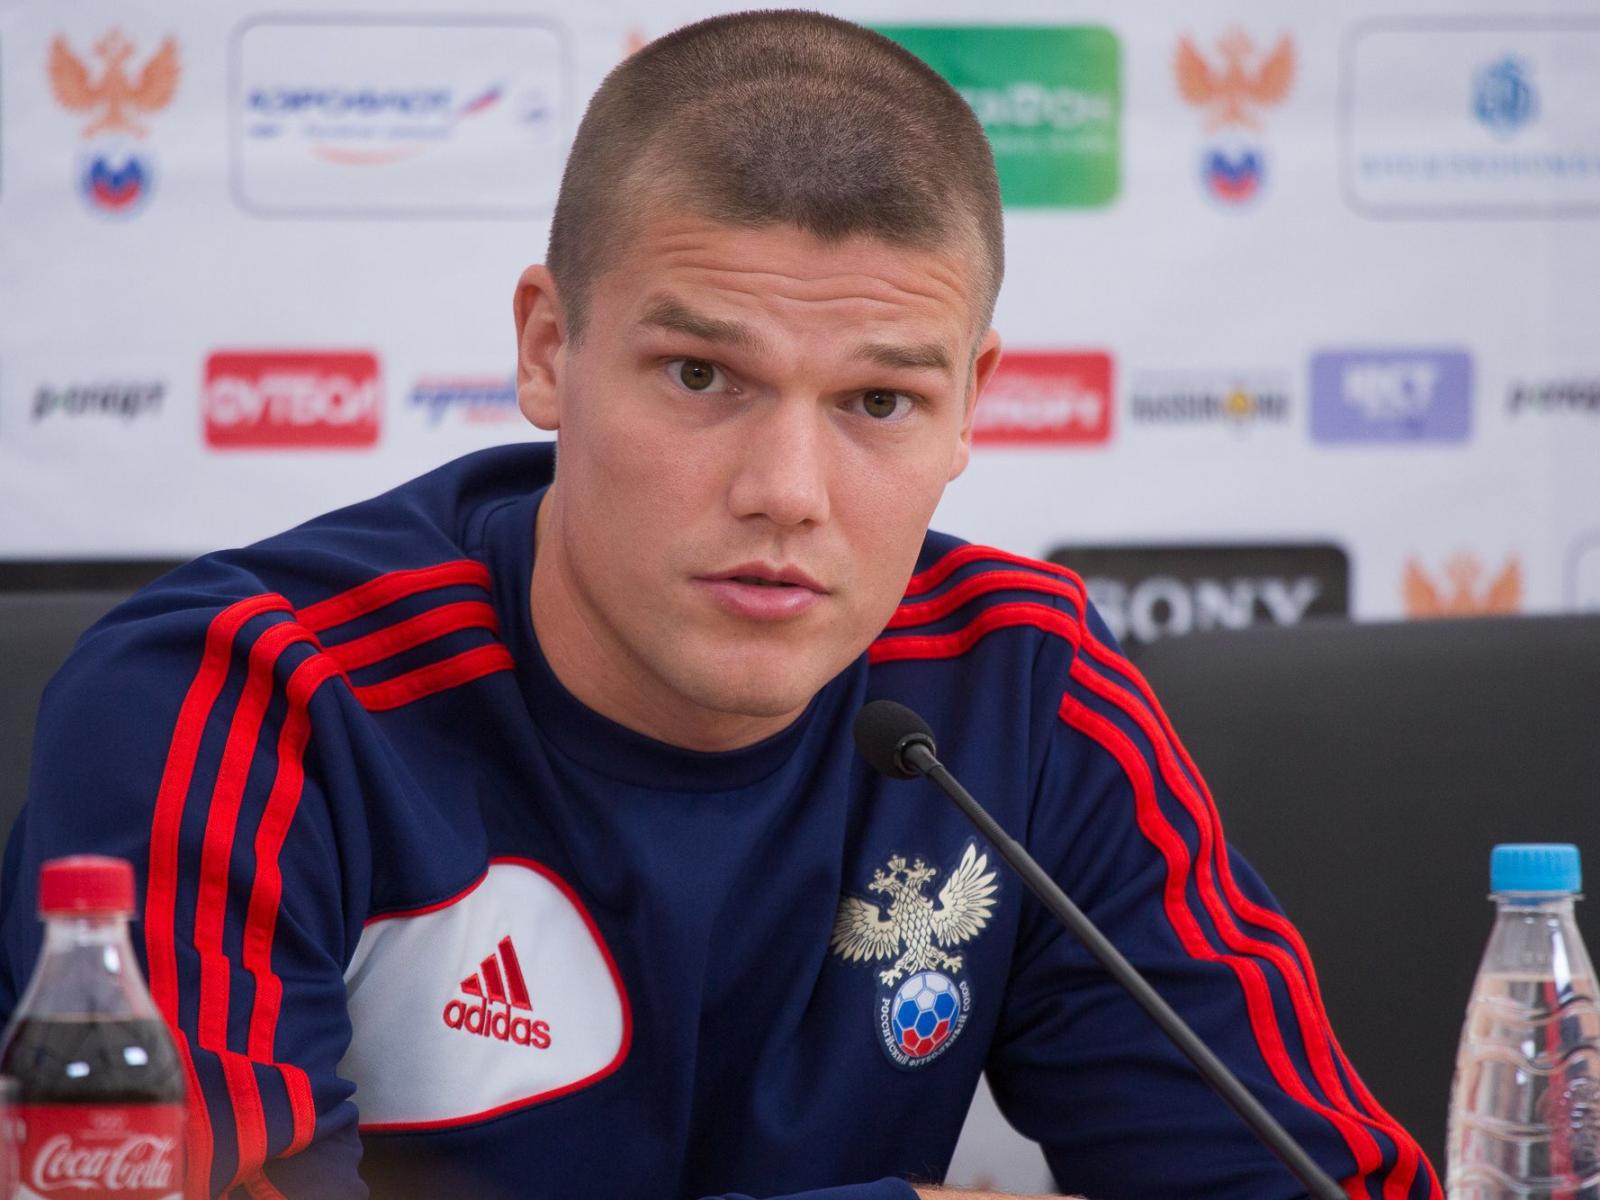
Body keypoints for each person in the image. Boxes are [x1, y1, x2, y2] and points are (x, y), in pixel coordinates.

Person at [0, 11, 1436, 1200]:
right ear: (549, 348)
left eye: (880, 401)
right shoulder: (241, 695)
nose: (786, 492)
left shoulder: (1019, 687)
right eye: (702, 377)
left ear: (972, 406)